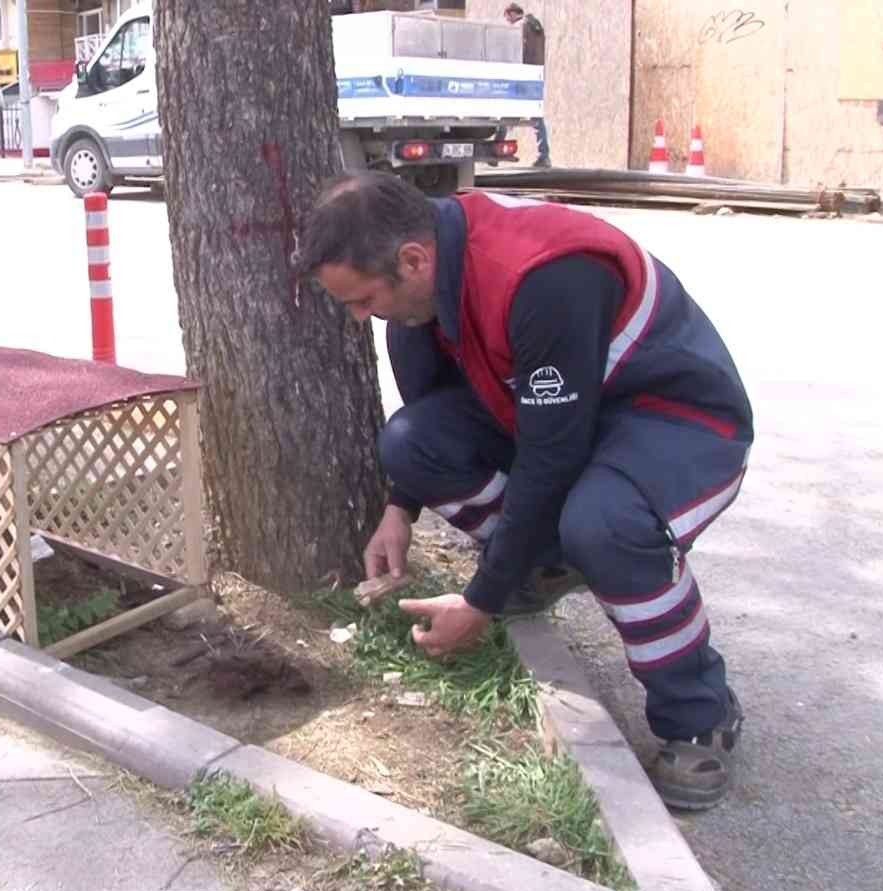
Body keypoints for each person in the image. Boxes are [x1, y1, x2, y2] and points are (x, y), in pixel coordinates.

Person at [297, 171, 754, 810]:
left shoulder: (541, 276)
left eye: (363, 301)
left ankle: (699, 713)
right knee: (411, 442)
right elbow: (437, 412)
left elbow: (553, 455)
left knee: (601, 523)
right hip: (570, 418)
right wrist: (398, 509)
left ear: (412, 259)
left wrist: (482, 600)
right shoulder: (419, 289)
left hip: (677, 421)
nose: (357, 319)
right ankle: (546, 560)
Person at [503, 3, 551, 168]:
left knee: (502, 111)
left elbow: (515, 52)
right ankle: (544, 155)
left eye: (507, 17)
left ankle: (496, 151)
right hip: (535, 76)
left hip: (520, 76)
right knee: (536, 118)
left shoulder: (519, 27)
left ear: (511, 14)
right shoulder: (536, 26)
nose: (507, 22)